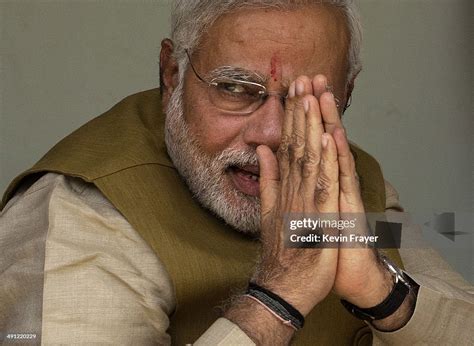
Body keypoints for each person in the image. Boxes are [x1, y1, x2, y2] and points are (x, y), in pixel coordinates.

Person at [1, 0, 473, 345]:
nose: (270, 133)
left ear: (346, 94)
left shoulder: (353, 181)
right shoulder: (80, 210)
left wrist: (383, 292)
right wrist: (278, 297)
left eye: (306, 100)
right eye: (235, 88)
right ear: (171, 75)